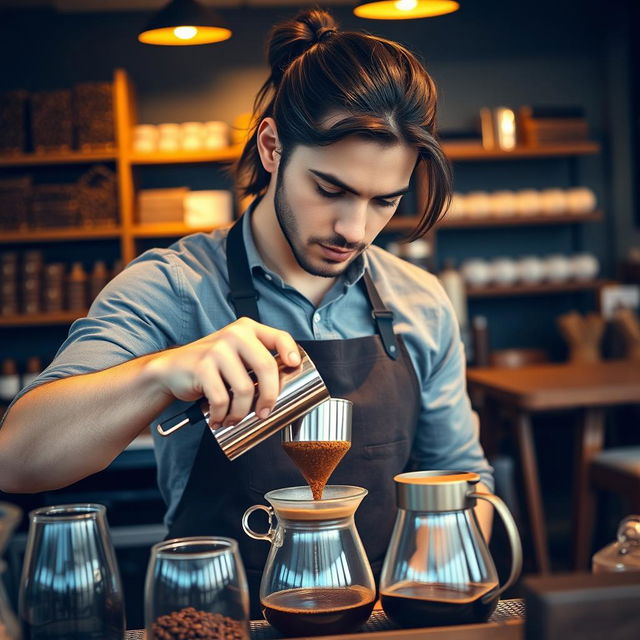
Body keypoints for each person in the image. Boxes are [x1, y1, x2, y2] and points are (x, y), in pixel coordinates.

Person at [0, 9, 493, 613]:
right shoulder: (173, 287)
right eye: (331, 190)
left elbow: (462, 479)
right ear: (271, 146)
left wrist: (438, 587)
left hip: (381, 621)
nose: (354, 229)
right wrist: (163, 371)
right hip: (217, 622)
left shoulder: (421, 302)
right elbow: (17, 458)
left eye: (384, 202)